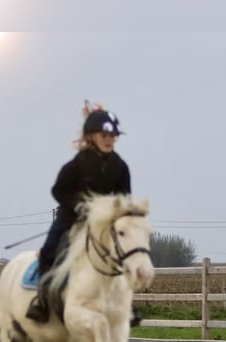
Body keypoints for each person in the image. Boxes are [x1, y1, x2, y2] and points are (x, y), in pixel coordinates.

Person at [26, 102, 142, 327]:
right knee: (50, 249)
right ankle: (41, 301)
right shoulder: (77, 164)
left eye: (113, 136)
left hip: (104, 224)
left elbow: (124, 197)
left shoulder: (120, 167)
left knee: (125, 252)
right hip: (71, 219)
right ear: (91, 137)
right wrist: (79, 206)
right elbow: (58, 190)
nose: (109, 139)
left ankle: (126, 304)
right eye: (104, 135)